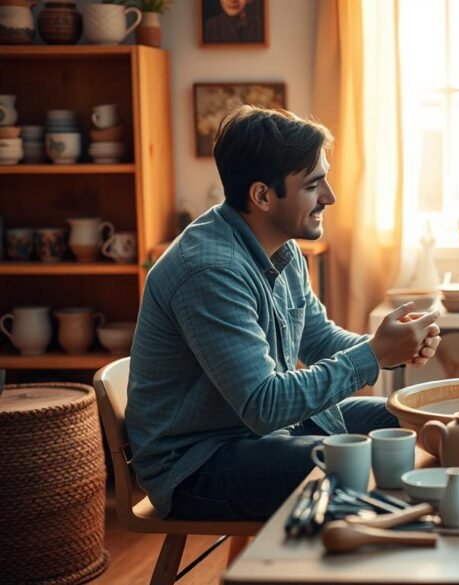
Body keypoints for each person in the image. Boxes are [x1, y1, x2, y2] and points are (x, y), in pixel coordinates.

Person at [126, 106, 441, 520]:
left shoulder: (282, 247)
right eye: (313, 185)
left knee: (416, 417)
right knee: (351, 464)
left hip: (264, 433)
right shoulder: (209, 270)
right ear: (262, 196)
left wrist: (391, 346)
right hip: (196, 462)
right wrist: (374, 354)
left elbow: (318, 338)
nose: (329, 196)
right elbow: (265, 404)